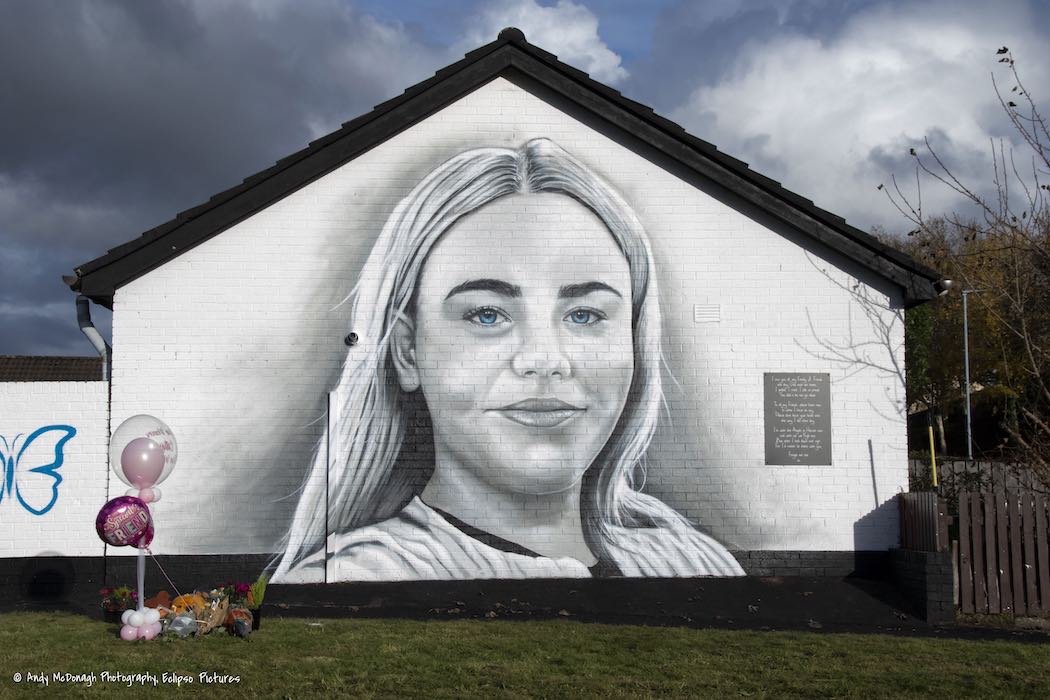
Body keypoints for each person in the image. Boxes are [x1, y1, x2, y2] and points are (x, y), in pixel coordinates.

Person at [271, 138, 743, 582]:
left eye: (585, 315)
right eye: (487, 314)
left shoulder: (696, 563)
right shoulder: (353, 581)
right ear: (406, 351)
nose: (545, 360)